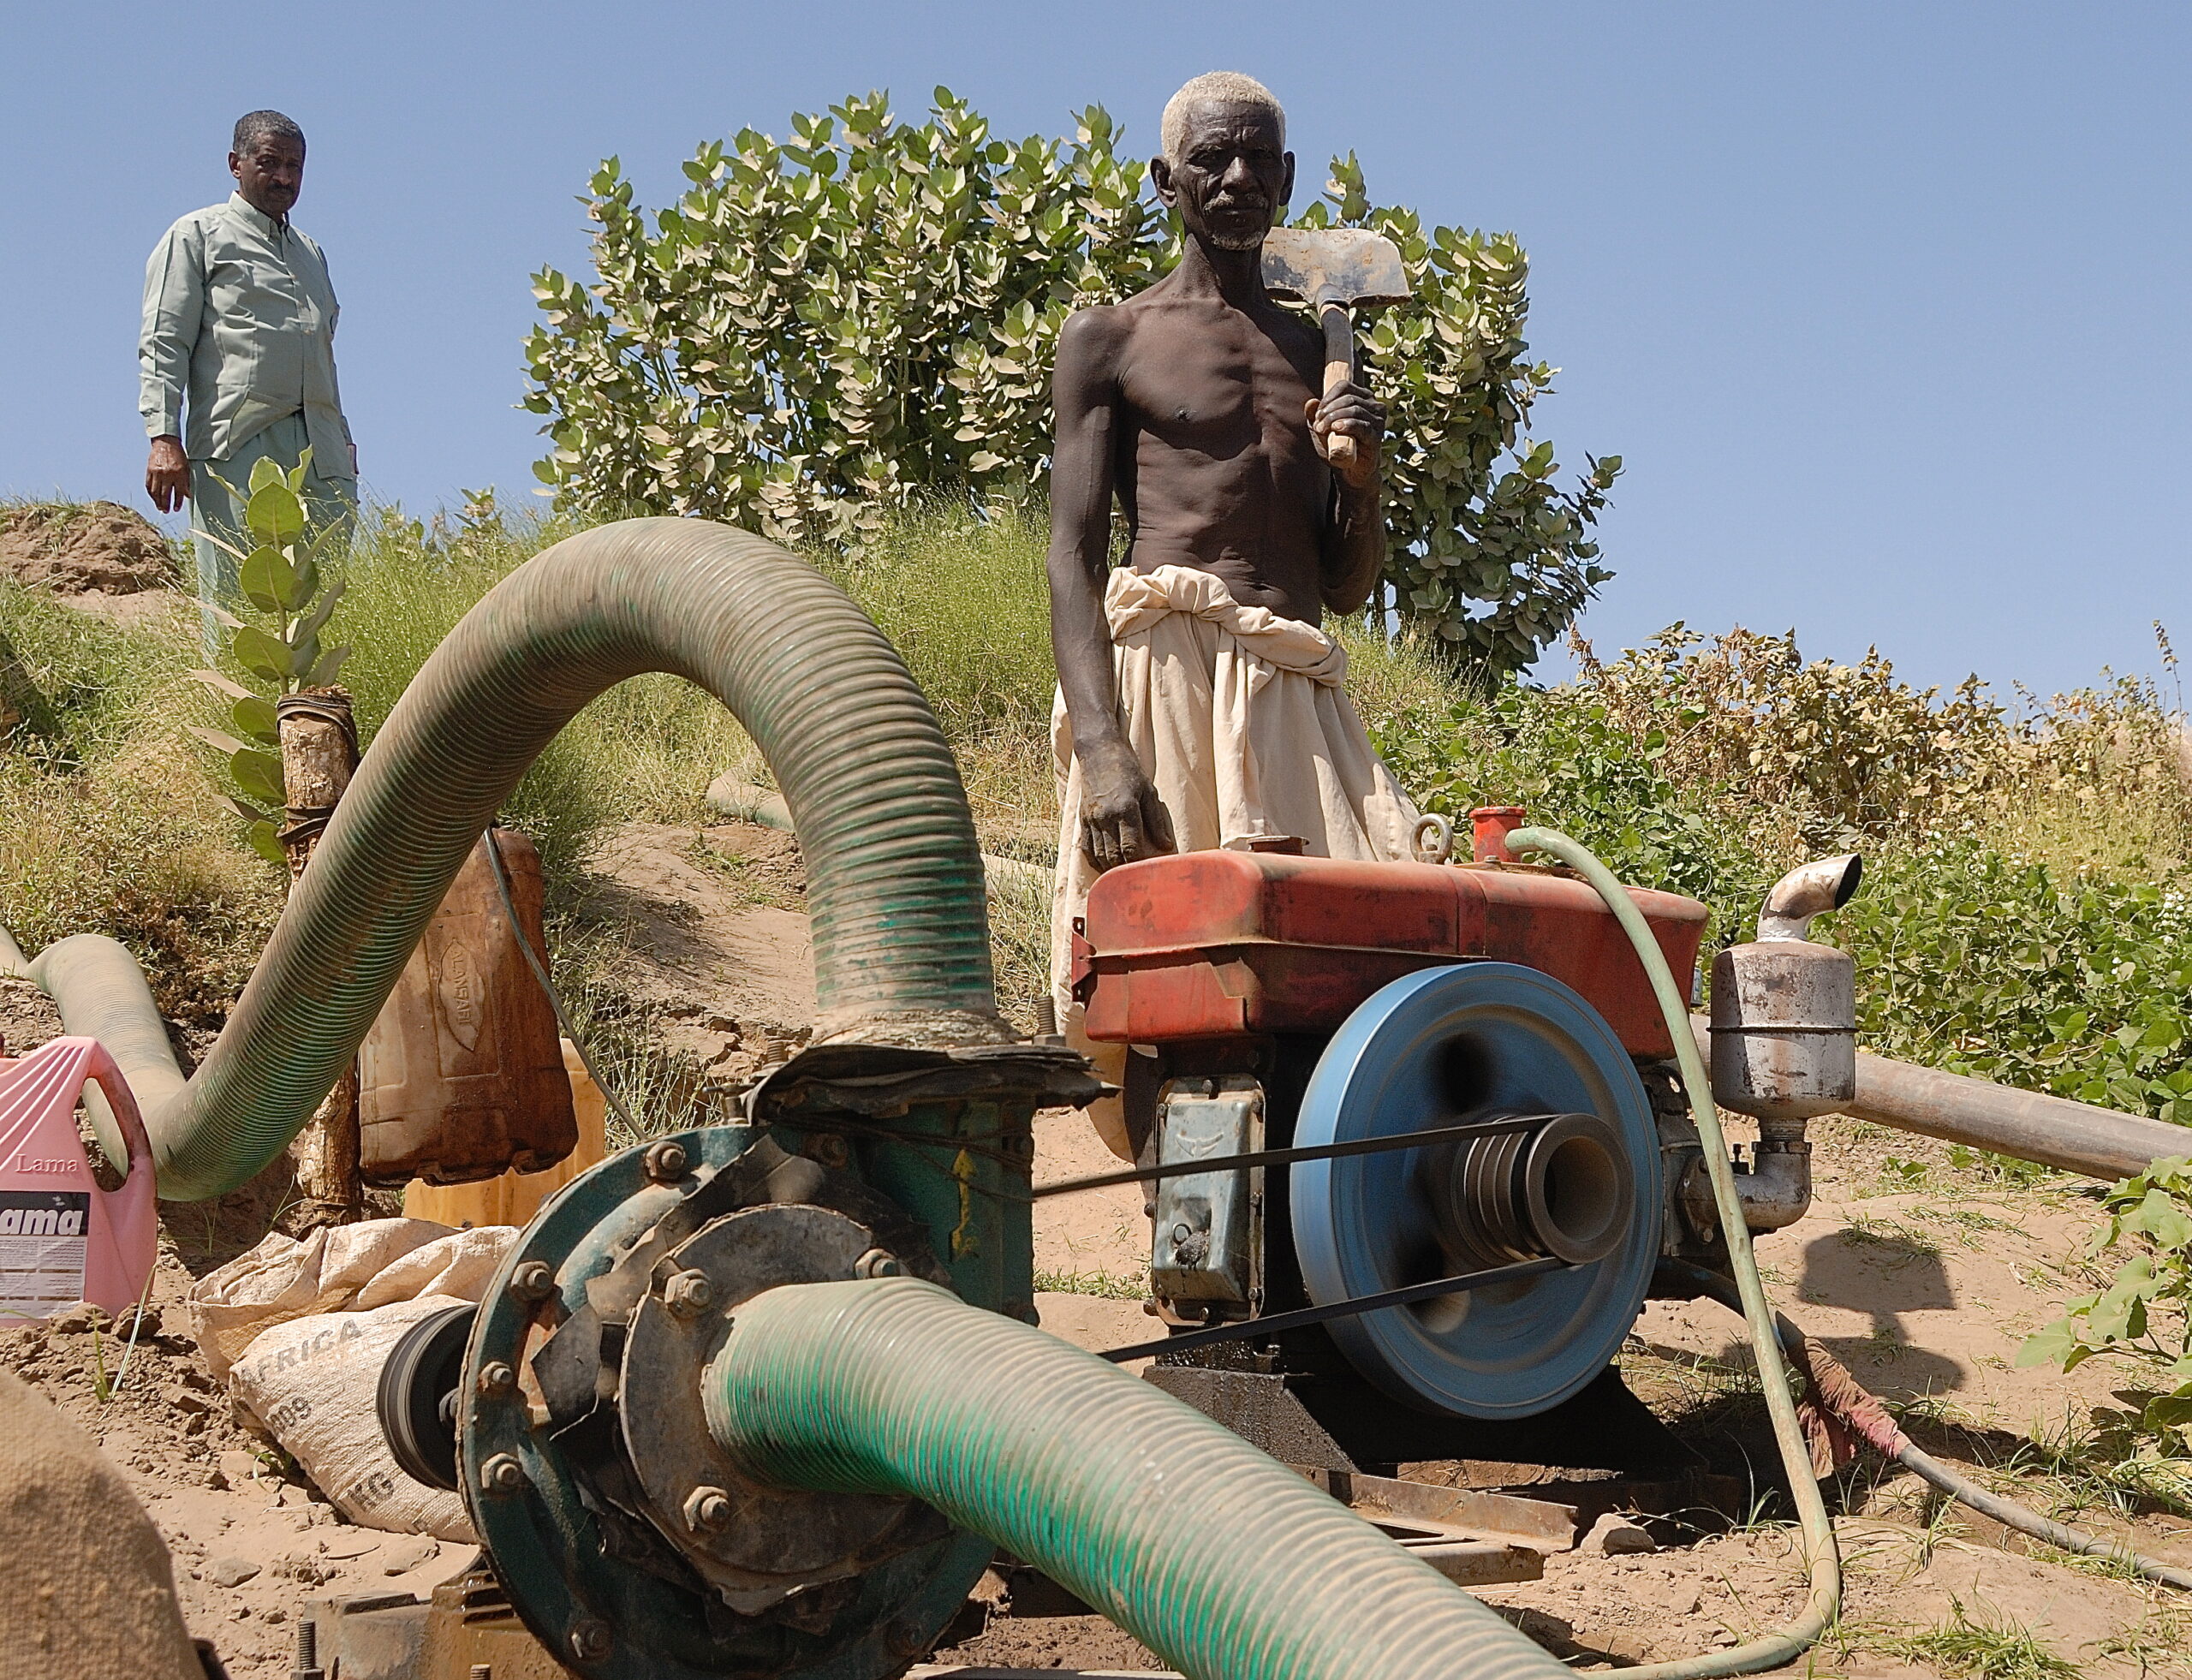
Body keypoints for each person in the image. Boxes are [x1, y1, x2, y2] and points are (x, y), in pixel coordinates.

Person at [1047, 72, 1419, 1158]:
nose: (1240, 178)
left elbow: (1345, 588)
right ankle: (1186, 1244)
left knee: (1336, 955)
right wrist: (1104, 746)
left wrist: (1363, 477)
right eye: (1213, 159)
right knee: (1171, 977)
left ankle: (1291, 1246)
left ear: (1290, 177)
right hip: (1162, 664)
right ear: (1166, 180)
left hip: (1291, 677)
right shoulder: (1107, 339)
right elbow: (1070, 555)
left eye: (1260, 158)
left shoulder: (1321, 355)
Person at [141, 110, 357, 651]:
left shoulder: (312, 253)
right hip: (238, 443)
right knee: (240, 596)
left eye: (294, 166)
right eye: (269, 162)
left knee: (323, 598)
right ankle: (231, 715)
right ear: (235, 165)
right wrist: (163, 436)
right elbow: (165, 339)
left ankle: (316, 725)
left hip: (323, 450)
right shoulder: (196, 235)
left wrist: (345, 442)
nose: (283, 177)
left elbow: (321, 353)